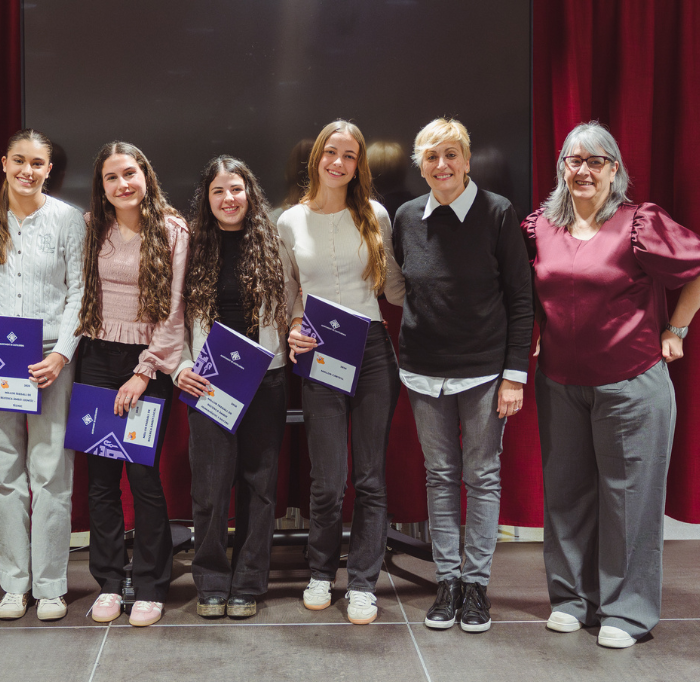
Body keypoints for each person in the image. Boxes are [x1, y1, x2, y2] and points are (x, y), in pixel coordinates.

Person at [524, 121, 700, 649]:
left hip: (631, 386)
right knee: (566, 497)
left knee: (629, 500)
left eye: (595, 161)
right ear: (562, 168)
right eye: (573, 161)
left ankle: (627, 613)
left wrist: (676, 329)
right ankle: (570, 600)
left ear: (614, 170)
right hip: (560, 384)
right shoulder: (540, 225)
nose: (582, 170)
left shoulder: (640, 222)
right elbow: (525, 291)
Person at [391, 118, 533, 634]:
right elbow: (404, 286)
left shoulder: (497, 213)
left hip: (484, 374)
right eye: (431, 157)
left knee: (483, 475)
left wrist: (514, 375)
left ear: (468, 160)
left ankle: (476, 585)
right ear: (420, 166)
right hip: (423, 373)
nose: (442, 165)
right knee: (440, 476)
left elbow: (522, 300)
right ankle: (447, 581)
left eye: (451, 154)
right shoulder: (406, 216)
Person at [0, 129, 85, 621]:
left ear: (49, 170)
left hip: (50, 358)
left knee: (52, 473)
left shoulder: (69, 220)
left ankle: (50, 585)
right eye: (19, 161)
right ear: (3, 163)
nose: (28, 171)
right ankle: (14, 584)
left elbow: (79, 293)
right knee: (3, 474)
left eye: (38, 163)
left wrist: (63, 355)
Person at [279, 120, 405, 625]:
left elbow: (393, 284)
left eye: (349, 155)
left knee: (371, 478)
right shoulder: (288, 221)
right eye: (331, 152)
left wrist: (447, 297)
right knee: (329, 479)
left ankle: (363, 584)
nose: (339, 162)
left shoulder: (375, 214)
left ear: (359, 165)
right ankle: (319, 572)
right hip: (319, 352)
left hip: (372, 348)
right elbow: (289, 292)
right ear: (317, 160)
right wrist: (292, 326)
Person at [173, 156, 298, 619]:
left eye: (237, 189)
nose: (229, 199)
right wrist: (180, 366)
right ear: (207, 199)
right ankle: (210, 581)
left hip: (266, 380)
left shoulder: (274, 240)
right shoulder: (188, 246)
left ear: (250, 193)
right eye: (219, 191)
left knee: (259, 486)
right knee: (209, 487)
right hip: (209, 381)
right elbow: (174, 318)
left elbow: (295, 299)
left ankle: (248, 582)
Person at [76, 141, 189, 627]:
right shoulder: (90, 229)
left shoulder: (173, 231)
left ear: (146, 174)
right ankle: (107, 580)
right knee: (101, 479)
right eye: (112, 178)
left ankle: (149, 582)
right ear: (102, 188)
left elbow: (174, 310)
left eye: (130, 173)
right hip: (97, 356)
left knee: (142, 475)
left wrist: (144, 372)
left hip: (149, 363)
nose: (123, 184)